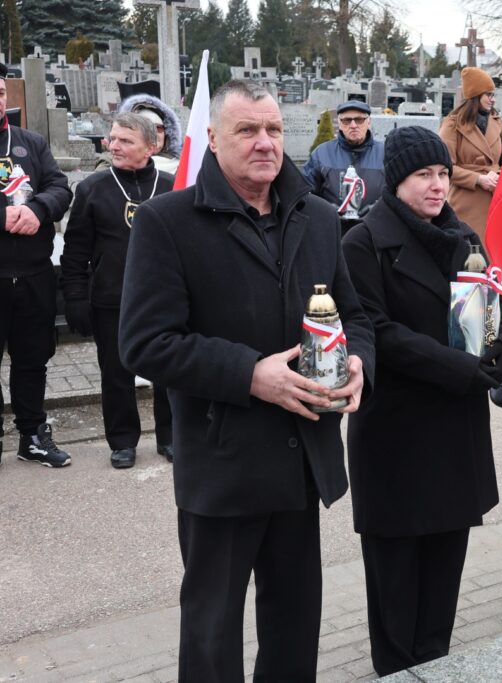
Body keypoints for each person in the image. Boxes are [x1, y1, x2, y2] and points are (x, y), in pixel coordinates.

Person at [118, 80, 374, 680]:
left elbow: (355, 315)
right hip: (223, 460)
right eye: (247, 131)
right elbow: (145, 343)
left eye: (274, 130)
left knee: (293, 628)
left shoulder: (316, 217)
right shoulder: (167, 222)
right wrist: (249, 375)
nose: (265, 143)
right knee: (212, 635)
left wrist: (359, 360)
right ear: (213, 138)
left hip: (300, 460)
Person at [341, 125, 502, 676]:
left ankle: (435, 664)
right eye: (424, 175)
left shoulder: (464, 237)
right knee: (395, 578)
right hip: (395, 431)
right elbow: (377, 331)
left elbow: (497, 305)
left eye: (443, 173)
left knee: (444, 571)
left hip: (453, 431)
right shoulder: (362, 244)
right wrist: (463, 369)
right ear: (397, 180)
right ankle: (396, 669)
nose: (438, 184)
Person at [60, 112, 174, 469]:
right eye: (112, 139)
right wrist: (75, 297)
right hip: (112, 298)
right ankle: (122, 440)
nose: (114, 146)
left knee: (169, 373)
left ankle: (170, 436)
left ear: (150, 146)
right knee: (115, 373)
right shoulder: (93, 189)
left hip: (164, 299)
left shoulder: (173, 186)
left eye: (126, 140)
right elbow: (76, 250)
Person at [0, 63, 74, 468]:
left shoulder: (31, 143)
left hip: (33, 275)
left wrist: (40, 210)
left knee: (32, 360)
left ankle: (32, 435)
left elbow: (59, 187)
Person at [438, 67, 502, 239]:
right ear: (476, 96)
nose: (492, 100)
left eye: (493, 95)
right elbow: (445, 166)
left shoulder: (497, 121)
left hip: (495, 196)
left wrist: (497, 174)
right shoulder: (452, 125)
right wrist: (478, 179)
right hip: (466, 199)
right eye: (488, 95)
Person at [302, 100, 385, 233]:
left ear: (369, 122)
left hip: (374, 231)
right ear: (339, 124)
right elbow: (305, 192)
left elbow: (397, 192)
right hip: (331, 230)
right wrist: (328, 209)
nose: (353, 125)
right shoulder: (322, 153)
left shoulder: (385, 153)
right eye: (347, 120)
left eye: (359, 120)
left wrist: (375, 209)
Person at [96, 94, 184, 174]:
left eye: (158, 128)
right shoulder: (112, 161)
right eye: (147, 129)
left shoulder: (182, 164)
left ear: (166, 133)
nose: (153, 133)